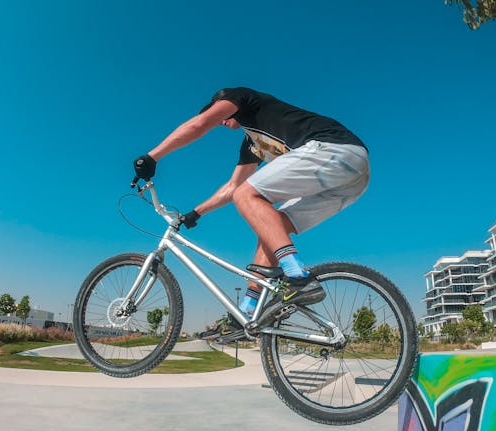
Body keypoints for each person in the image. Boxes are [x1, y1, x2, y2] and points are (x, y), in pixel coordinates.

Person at [133, 87, 370, 342]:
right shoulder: (251, 145)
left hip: (335, 150)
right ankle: (247, 312)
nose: (221, 121)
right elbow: (232, 187)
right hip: (352, 180)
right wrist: (196, 213)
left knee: (248, 197)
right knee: (270, 226)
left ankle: (298, 277)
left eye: (218, 112)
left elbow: (200, 124)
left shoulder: (241, 97)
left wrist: (152, 157)